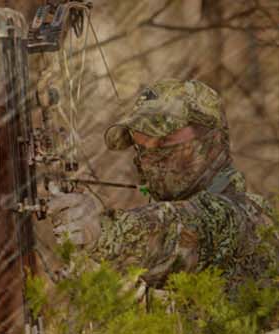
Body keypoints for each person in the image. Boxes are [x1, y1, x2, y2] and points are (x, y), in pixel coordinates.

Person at [50, 79, 278, 288]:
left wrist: (106, 232)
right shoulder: (155, 243)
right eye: (141, 147)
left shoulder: (248, 216)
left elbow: (188, 230)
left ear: (211, 140)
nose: (149, 160)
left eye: (164, 142)